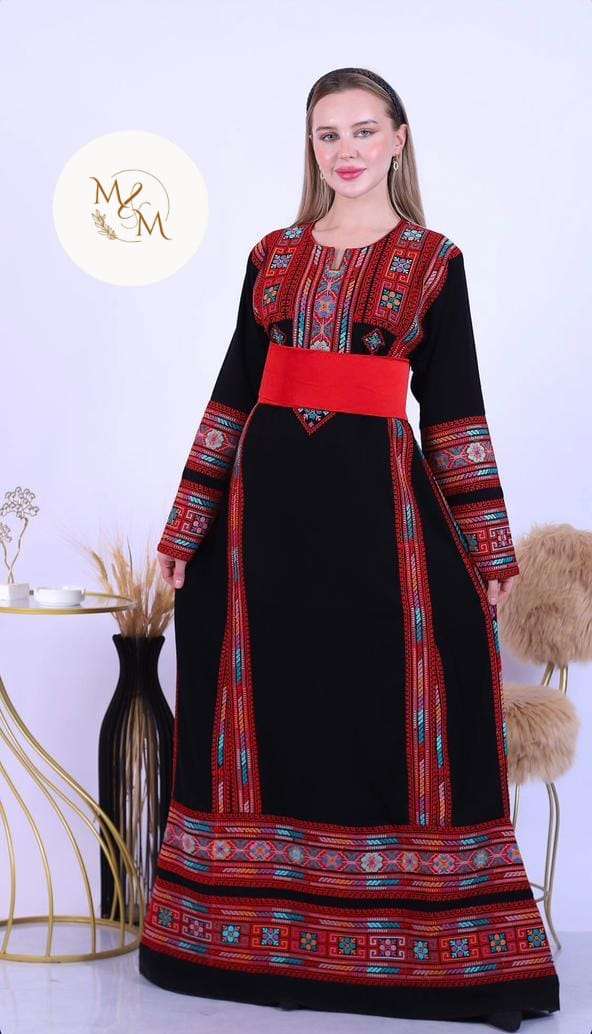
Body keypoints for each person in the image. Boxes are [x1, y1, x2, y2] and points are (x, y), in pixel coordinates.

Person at [138, 67, 560, 1030]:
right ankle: (237, 939)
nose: (347, 150)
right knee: (260, 703)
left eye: (365, 130)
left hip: (384, 521)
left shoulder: (434, 260)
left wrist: (490, 552)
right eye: (328, 134)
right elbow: (232, 392)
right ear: (311, 147)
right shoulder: (272, 255)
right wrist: (186, 525)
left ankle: (420, 948)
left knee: (405, 692)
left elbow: (453, 411)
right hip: (259, 529)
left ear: (399, 139)